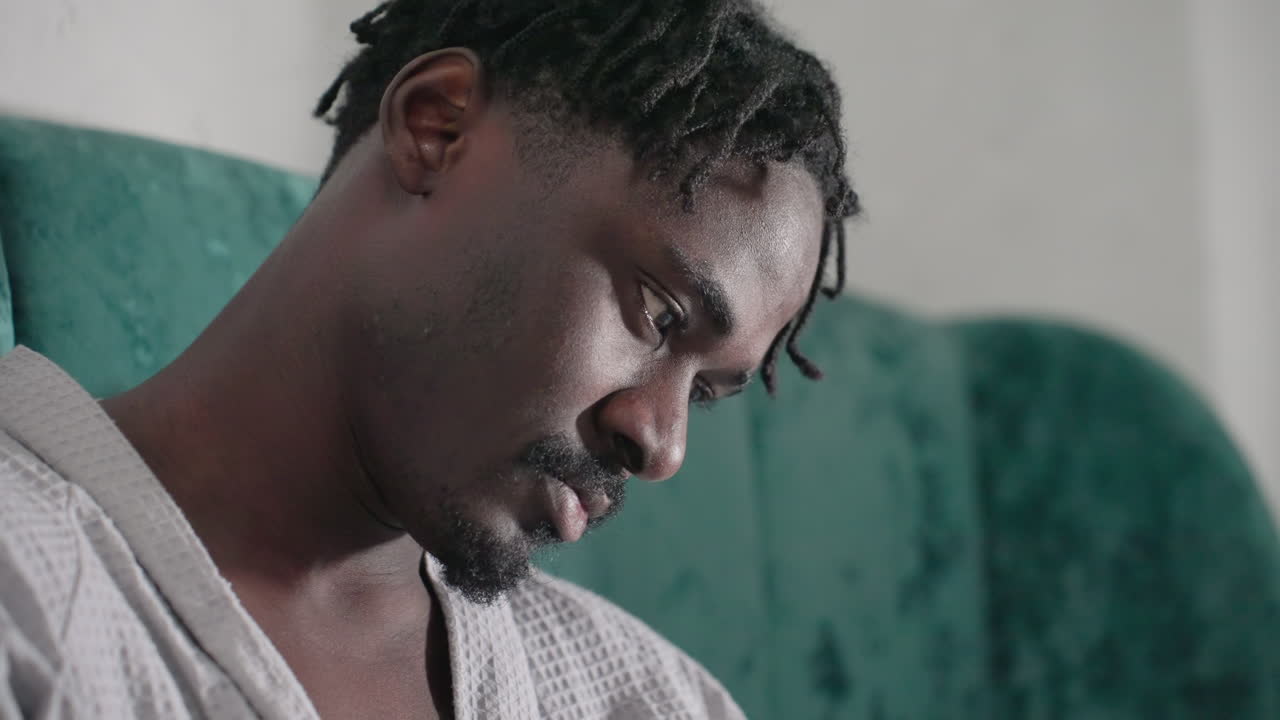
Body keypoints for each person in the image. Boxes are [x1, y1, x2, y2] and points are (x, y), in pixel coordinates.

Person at [0, 0, 859, 717]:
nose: (662, 447)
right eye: (661, 315)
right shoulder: (31, 583)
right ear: (435, 127)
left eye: (704, 394)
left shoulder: (652, 699)